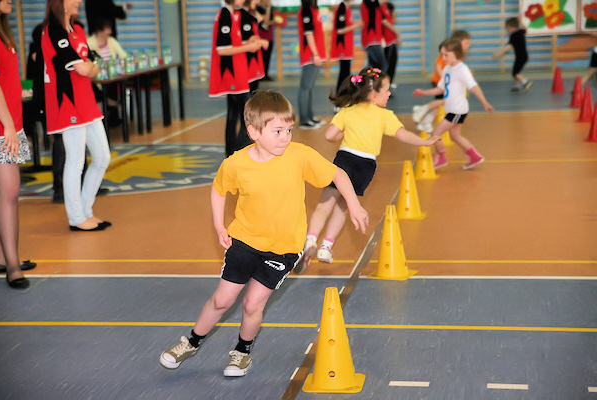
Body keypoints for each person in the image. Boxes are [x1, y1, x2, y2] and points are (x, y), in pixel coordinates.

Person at [159, 90, 368, 377]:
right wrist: (220, 225)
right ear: (253, 132)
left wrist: (354, 206)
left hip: (284, 248)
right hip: (244, 240)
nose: (285, 137)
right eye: (278, 131)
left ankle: (242, 353)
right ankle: (191, 342)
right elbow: (219, 190)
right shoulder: (235, 163)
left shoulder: (299, 155)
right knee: (223, 300)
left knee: (252, 303)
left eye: (289, 130)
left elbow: (338, 175)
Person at [295, 67, 439, 272]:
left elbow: (329, 135)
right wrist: (424, 142)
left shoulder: (347, 111)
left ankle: (310, 240)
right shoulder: (384, 116)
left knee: (324, 204)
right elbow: (403, 135)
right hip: (365, 167)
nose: (389, 93)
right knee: (344, 207)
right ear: (372, 95)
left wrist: (340, 135)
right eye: (386, 90)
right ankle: (326, 247)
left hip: (344, 160)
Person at [42, 0, 112, 231]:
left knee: (102, 157)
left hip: (87, 104)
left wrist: (88, 66)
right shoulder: (53, 31)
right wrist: (88, 66)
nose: (79, 2)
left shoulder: (79, 30)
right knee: (76, 160)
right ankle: (76, 217)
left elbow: (96, 63)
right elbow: (84, 68)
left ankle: (86, 210)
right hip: (67, 105)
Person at [413, 39, 494, 170]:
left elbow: (473, 86)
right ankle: (474, 157)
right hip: (452, 109)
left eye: (446, 55)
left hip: (457, 110)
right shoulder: (447, 69)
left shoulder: (462, 69)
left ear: (456, 53)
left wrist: (485, 102)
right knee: (455, 135)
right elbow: (440, 89)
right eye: (441, 55)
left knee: (435, 133)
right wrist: (423, 92)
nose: (443, 58)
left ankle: (441, 158)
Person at [0, 0, 32, 288]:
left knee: (4, 195)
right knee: (9, 193)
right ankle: (12, 265)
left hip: (10, 124)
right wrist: (8, 124)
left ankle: (2, 255)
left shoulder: (3, 32)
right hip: (0, 126)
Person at [209, 0, 263, 157]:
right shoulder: (225, 15)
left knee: (234, 115)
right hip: (232, 75)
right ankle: (240, 152)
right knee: (248, 114)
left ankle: (231, 153)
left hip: (238, 74)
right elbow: (222, 49)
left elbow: (234, 43)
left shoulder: (233, 14)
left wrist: (248, 41)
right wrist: (248, 47)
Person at [413, 30, 472, 132]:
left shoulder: (457, 55)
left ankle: (425, 120)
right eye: (466, 42)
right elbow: (438, 66)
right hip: (439, 82)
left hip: (448, 84)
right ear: (458, 42)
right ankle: (422, 110)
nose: (468, 45)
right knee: (444, 102)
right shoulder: (447, 52)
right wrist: (446, 80)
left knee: (444, 105)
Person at [86, 17, 127, 126]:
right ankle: (106, 113)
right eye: (107, 29)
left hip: (112, 77)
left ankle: (114, 113)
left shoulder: (111, 41)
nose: (110, 32)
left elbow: (123, 56)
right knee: (98, 91)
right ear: (99, 30)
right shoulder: (89, 43)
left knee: (118, 85)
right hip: (96, 78)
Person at [298, 0, 327, 129]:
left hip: (316, 54)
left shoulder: (313, 8)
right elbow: (308, 34)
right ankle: (304, 120)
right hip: (310, 55)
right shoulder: (306, 9)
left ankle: (309, 117)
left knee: (309, 88)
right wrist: (315, 54)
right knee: (305, 88)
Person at [330, 0, 361, 99]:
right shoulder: (342, 8)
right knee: (344, 73)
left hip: (347, 47)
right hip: (342, 47)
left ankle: (344, 97)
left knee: (345, 72)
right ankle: (340, 98)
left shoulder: (347, 8)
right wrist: (356, 25)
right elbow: (340, 30)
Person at [492, 17, 531, 92]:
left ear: (510, 27)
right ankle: (517, 86)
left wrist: (498, 54)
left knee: (515, 73)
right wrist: (520, 22)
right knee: (516, 72)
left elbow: (508, 48)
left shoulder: (513, 36)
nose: (507, 30)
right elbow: (526, 28)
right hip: (524, 56)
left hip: (520, 57)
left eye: (507, 28)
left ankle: (526, 82)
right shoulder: (520, 31)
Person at [240, 0, 268, 93]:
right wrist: (260, 42)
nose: (258, 1)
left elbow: (259, 18)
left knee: (253, 90)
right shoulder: (243, 15)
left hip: (252, 60)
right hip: (246, 61)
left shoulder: (249, 14)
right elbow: (246, 41)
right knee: (248, 93)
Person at [360, 0, 387, 72]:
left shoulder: (378, 7)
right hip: (371, 39)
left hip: (375, 38)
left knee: (373, 65)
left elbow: (382, 21)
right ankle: (378, 83)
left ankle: (369, 82)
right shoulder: (368, 2)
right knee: (381, 65)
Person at [380, 0, 400, 89]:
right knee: (385, 64)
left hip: (391, 39)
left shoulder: (388, 6)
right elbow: (383, 22)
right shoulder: (379, 7)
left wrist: (393, 12)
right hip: (385, 41)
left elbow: (393, 21)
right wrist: (396, 32)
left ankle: (389, 82)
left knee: (393, 61)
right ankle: (383, 85)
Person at [256, 0, 274, 81]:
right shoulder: (258, 8)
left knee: (268, 56)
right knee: (261, 57)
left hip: (269, 36)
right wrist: (268, 9)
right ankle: (261, 74)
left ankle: (266, 74)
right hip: (261, 36)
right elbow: (265, 21)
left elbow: (270, 22)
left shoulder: (271, 8)